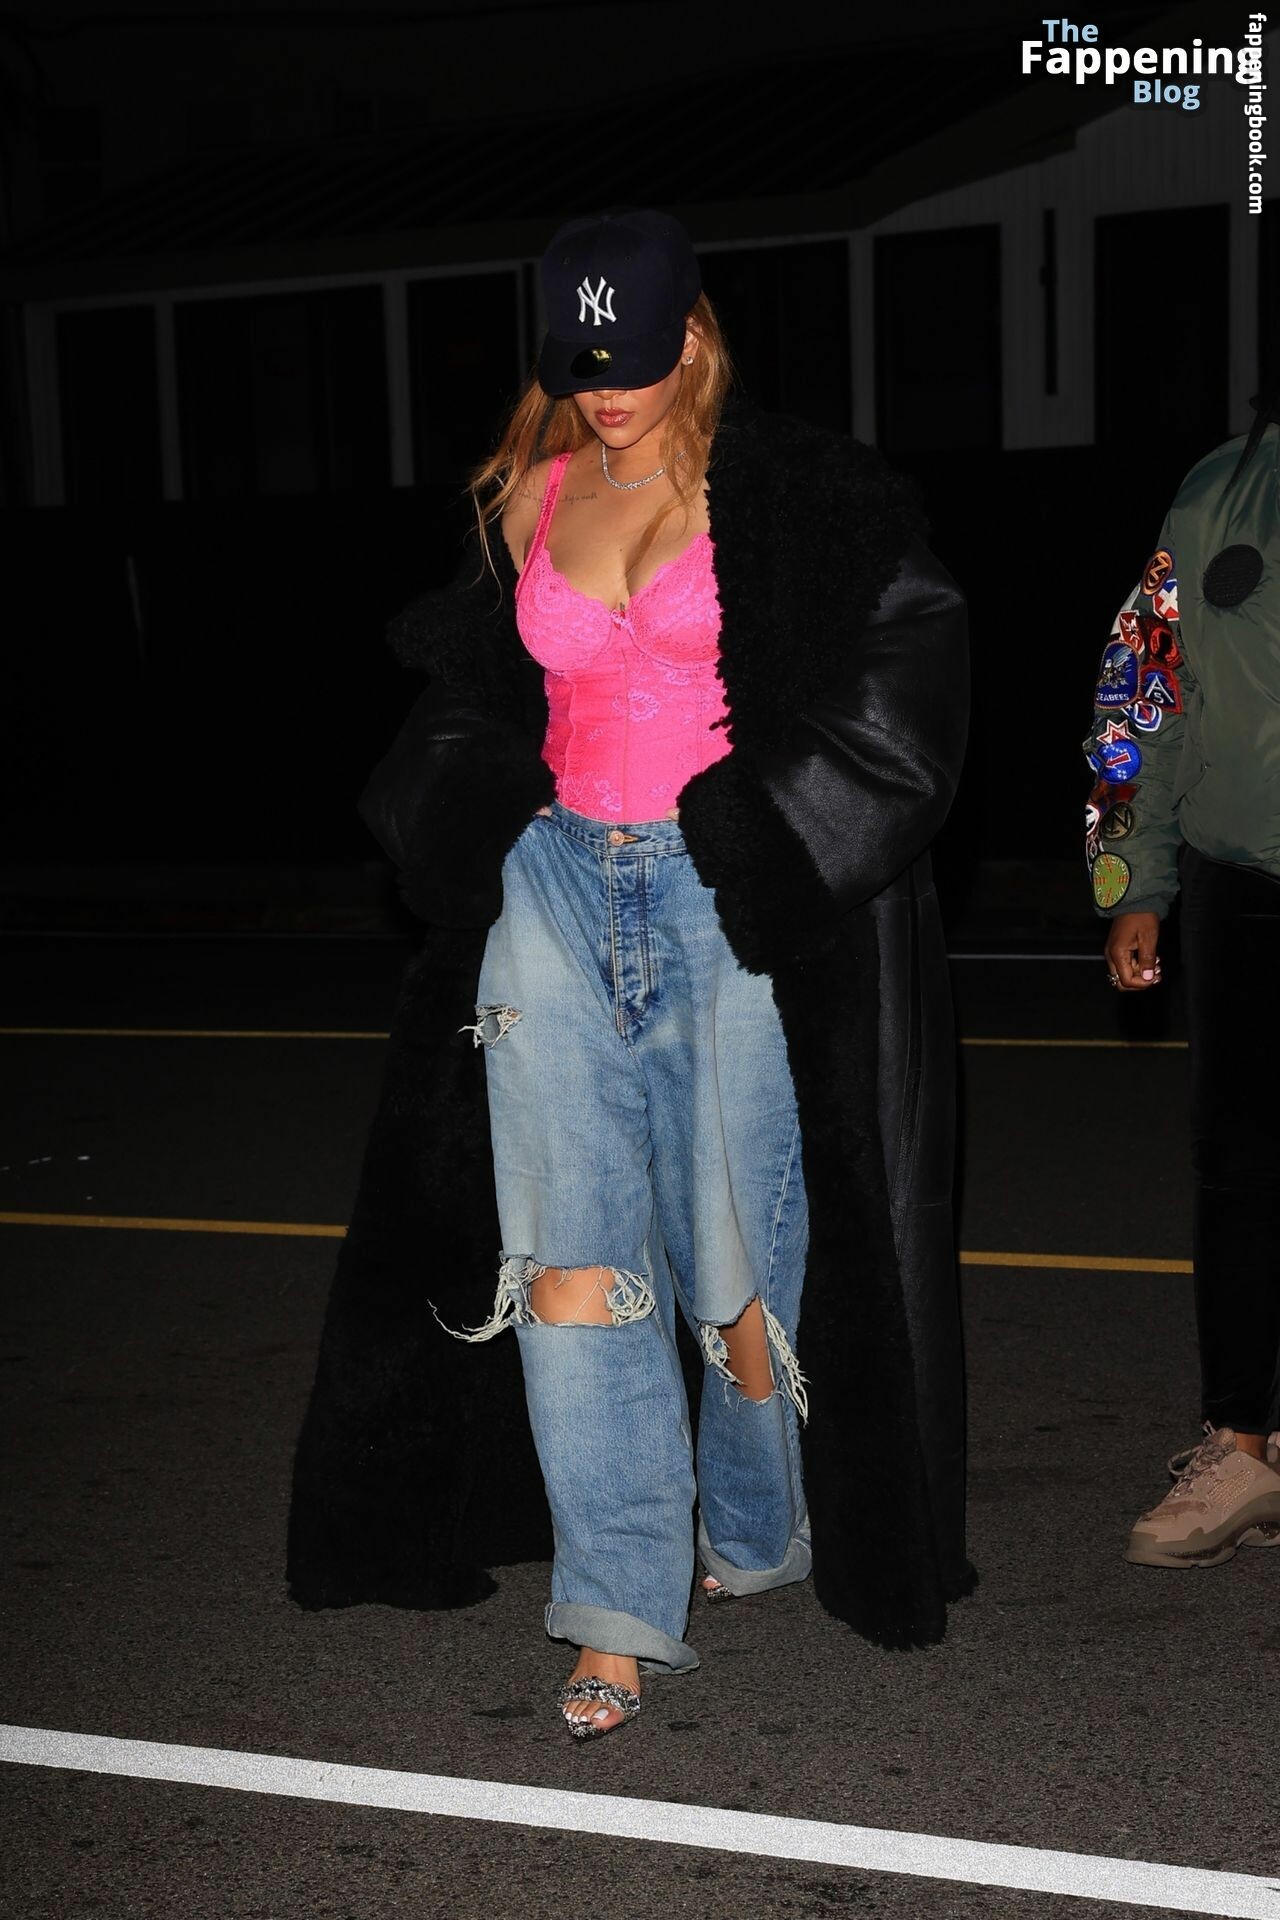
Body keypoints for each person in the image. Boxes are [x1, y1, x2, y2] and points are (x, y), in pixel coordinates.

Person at [288, 207, 974, 1739]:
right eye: (582, 365)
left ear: (696, 338)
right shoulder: (530, 496)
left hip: (724, 887)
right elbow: (469, 699)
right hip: (552, 884)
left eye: (637, 361)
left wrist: (766, 826)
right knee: (571, 1263)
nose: (608, 392)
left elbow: (913, 676)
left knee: (737, 1263)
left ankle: (760, 1523)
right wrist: (457, 814)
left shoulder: (790, 491)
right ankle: (613, 1606)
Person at [1083, 398, 1280, 1569]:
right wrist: (1132, 880)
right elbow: (1138, 690)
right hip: (1240, 881)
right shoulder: (1217, 491)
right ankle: (1240, 1446)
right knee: (1239, 1170)